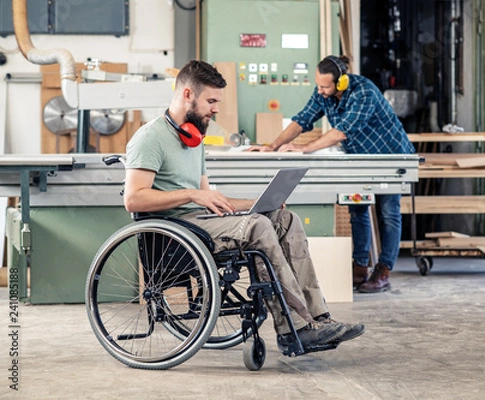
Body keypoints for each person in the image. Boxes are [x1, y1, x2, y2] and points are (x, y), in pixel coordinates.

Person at [123, 59, 364, 353]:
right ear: (187, 94)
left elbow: (209, 198)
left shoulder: (193, 140)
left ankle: (318, 318)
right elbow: (134, 199)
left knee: (284, 219)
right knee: (258, 227)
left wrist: (255, 203)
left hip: (202, 222)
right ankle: (295, 329)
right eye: (211, 101)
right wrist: (192, 195)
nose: (216, 108)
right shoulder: (150, 137)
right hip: (176, 231)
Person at [248, 55, 415, 293]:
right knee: (357, 211)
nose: (320, 90)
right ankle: (359, 268)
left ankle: (383, 271)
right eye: (318, 85)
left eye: (325, 86)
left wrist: (304, 148)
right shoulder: (323, 93)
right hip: (358, 159)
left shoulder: (363, 92)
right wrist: (272, 146)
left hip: (389, 156)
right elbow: (302, 120)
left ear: (342, 82)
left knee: (388, 213)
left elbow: (340, 132)